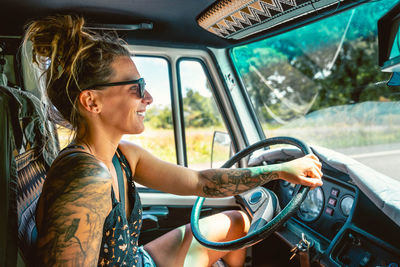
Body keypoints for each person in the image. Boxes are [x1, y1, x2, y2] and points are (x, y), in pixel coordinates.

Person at [23, 15, 323, 267]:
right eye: (136, 88)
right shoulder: (84, 177)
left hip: (136, 259)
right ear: (92, 101)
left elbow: (200, 181)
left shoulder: (124, 155)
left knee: (235, 223)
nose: (149, 98)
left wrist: (279, 170)